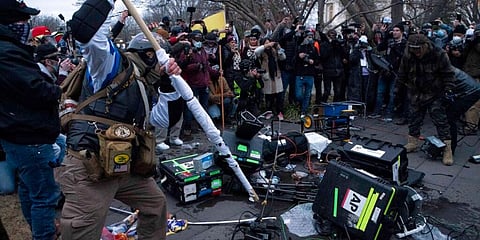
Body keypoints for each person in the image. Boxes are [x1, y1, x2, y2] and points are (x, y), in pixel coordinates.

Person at [55, 0, 181, 239]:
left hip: (123, 164)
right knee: (83, 230)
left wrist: (168, 83)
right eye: (159, 58)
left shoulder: (145, 83)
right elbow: (89, 35)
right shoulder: (111, 65)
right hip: (89, 166)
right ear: (148, 55)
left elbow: (161, 120)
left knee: (155, 206)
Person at [0, 1, 61, 239]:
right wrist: (55, 89)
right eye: (21, 20)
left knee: (29, 190)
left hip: (19, 132)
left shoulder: (10, 48)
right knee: (44, 197)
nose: (26, 25)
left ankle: (38, 230)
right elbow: (35, 89)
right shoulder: (6, 52)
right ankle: (43, 235)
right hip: (28, 136)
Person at [396, 33, 455, 166]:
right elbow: (402, 73)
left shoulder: (439, 54)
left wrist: (448, 90)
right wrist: (397, 90)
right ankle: (412, 141)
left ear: (425, 46)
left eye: (418, 49)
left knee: (440, 120)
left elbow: (448, 74)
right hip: (415, 91)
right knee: (414, 118)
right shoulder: (408, 55)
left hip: (435, 92)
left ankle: (447, 149)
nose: (416, 52)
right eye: (413, 48)